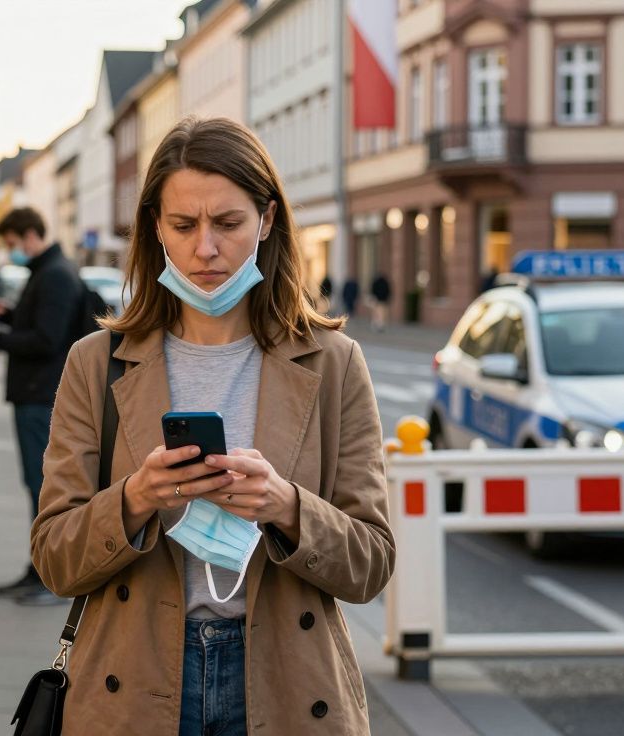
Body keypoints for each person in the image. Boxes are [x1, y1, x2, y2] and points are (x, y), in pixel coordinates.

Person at [30, 118, 393, 734]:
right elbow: (53, 559)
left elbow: (371, 563)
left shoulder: (333, 364)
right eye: (183, 225)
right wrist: (136, 499)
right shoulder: (97, 363)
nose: (205, 249)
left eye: (228, 223)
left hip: (285, 683)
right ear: (155, 229)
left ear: (267, 220)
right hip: (133, 682)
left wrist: (286, 506)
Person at [0, 207, 84, 606]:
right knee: (36, 486)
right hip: (36, 393)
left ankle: (49, 575)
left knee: (44, 489)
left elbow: (46, 339)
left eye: (10, 243)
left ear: (27, 235)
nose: (10, 251)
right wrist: (7, 317)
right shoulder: (49, 271)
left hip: (41, 395)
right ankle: (38, 567)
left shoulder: (54, 275)